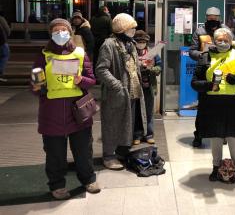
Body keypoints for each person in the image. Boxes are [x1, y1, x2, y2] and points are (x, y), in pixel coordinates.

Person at [30, 18, 100, 199]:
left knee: (83, 150)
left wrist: (81, 80)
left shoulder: (79, 53)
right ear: (51, 34)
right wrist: (39, 85)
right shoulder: (43, 55)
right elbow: (34, 84)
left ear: (70, 32)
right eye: (56, 30)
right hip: (51, 113)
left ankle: (88, 179)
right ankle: (57, 185)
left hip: (78, 112)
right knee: (55, 154)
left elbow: (92, 79)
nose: (60, 33)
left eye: (64, 30)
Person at [190, 28, 235, 182]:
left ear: (231, 41)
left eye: (226, 40)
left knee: (234, 138)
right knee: (215, 138)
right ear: (214, 41)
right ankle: (216, 168)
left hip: (234, 105)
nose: (223, 43)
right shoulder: (205, 57)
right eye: (219, 40)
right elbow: (194, 83)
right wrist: (208, 85)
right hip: (212, 104)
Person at [95, 13, 147, 170]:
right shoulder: (109, 44)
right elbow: (101, 69)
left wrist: (142, 67)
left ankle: (121, 151)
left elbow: (131, 65)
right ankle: (108, 156)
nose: (133, 30)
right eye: (131, 28)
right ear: (122, 28)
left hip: (132, 91)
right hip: (116, 93)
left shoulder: (130, 44)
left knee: (126, 124)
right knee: (112, 124)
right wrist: (116, 85)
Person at [189, 6, 225, 148]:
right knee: (203, 107)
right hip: (204, 70)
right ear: (206, 18)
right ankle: (199, 135)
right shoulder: (199, 32)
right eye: (210, 19)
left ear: (219, 18)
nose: (212, 21)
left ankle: (221, 134)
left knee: (221, 106)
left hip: (222, 69)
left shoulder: (225, 31)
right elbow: (192, 51)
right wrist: (202, 54)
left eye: (215, 19)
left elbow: (233, 46)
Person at [133, 30, 162, 145]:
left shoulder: (152, 52)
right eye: (138, 41)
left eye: (143, 41)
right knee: (136, 111)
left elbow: (159, 66)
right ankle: (137, 135)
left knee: (149, 111)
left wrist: (152, 69)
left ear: (146, 42)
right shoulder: (132, 52)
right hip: (135, 86)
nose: (141, 43)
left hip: (149, 85)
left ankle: (149, 134)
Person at [0, 8, 10, 80]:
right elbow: (7, 30)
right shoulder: (1, 18)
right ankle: (0, 73)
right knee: (5, 54)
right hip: (1, 41)